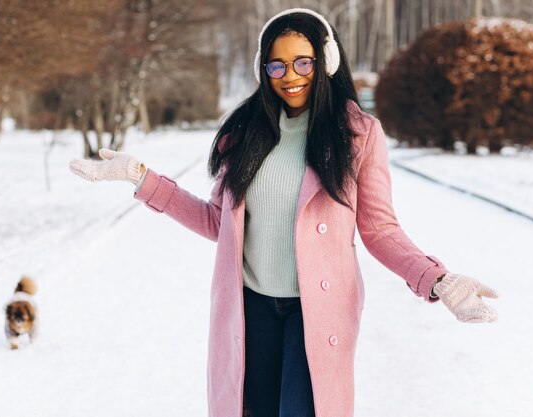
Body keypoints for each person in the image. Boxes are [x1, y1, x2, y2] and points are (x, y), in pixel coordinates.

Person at [69, 8, 499, 417]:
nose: (289, 76)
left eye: (302, 63)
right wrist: (140, 177)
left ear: (325, 61)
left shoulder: (358, 134)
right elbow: (217, 222)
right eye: (276, 66)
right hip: (250, 308)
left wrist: (437, 280)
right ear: (264, 70)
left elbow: (380, 230)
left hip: (316, 311)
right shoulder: (243, 135)